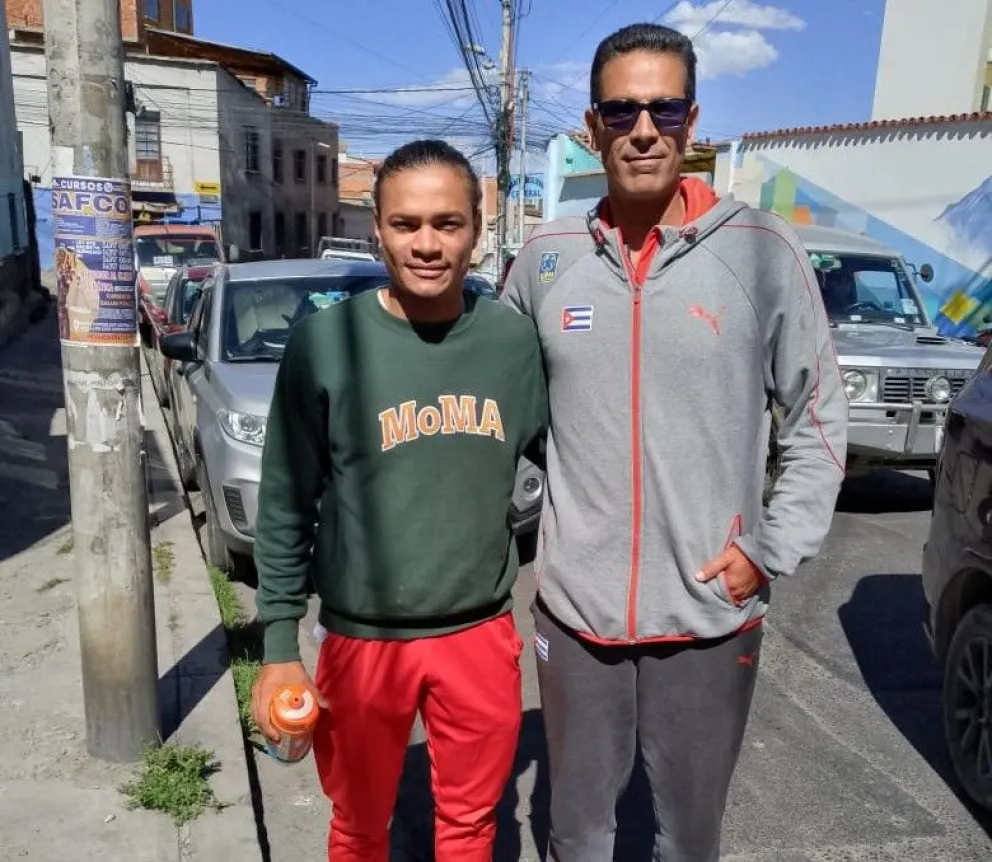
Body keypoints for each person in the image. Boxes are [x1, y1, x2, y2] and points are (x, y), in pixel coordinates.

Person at [501, 23, 848, 862]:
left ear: (693, 123)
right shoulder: (544, 261)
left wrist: (765, 549)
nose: (644, 128)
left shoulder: (762, 252)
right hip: (577, 618)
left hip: (708, 614)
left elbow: (818, 419)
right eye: (623, 111)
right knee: (576, 834)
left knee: (688, 839)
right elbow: (500, 416)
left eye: (664, 107)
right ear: (593, 127)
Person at [250, 139, 548, 862]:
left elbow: (560, 470)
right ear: (376, 228)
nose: (426, 244)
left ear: (477, 232)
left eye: (447, 223)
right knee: (357, 829)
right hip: (362, 639)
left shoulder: (513, 343)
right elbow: (286, 501)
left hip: (478, 636)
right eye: (406, 224)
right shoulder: (327, 343)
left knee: (473, 829)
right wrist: (280, 648)